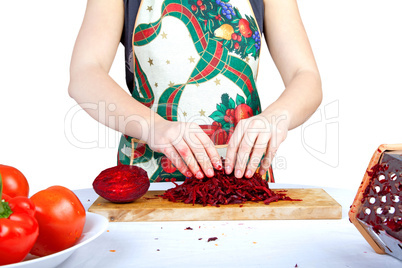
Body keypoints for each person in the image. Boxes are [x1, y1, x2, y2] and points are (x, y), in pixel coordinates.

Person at [68, 0, 322, 182]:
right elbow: (86, 74)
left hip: (244, 181)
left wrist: (274, 118)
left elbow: (306, 76)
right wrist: (156, 127)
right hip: (147, 185)